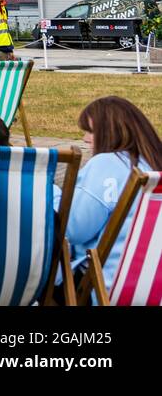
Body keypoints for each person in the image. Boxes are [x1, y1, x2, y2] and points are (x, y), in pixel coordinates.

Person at [59, 96, 162, 295]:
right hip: (154, 291)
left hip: (106, 288)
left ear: (110, 132)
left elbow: (74, 229)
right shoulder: (154, 165)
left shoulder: (107, 165)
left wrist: (55, 195)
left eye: (90, 131)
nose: (85, 139)